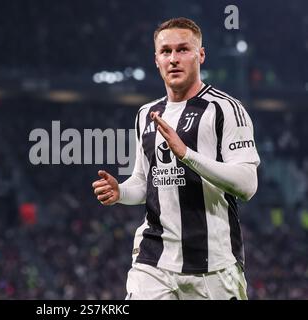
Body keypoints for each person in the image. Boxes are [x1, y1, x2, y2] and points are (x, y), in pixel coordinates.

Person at [92, 17, 260, 300]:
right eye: (166, 51)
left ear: (201, 55)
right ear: (156, 60)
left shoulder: (226, 109)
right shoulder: (146, 114)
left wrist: (186, 154)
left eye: (183, 49)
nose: (173, 59)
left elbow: (247, 185)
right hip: (153, 262)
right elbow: (143, 182)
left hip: (214, 267)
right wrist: (120, 191)